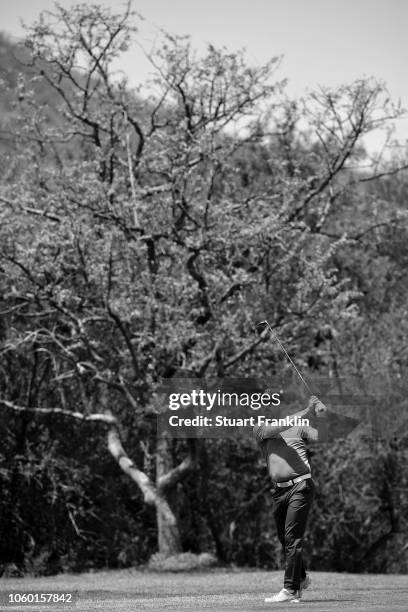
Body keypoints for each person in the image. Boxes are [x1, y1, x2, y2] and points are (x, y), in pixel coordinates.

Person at [253, 394, 328, 603]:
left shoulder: (300, 427)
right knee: (285, 539)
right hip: (279, 491)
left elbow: (320, 435)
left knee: (292, 537)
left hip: (301, 486)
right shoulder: (260, 429)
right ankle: (301, 578)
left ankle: (289, 589)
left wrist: (321, 415)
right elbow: (278, 427)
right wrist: (307, 411)